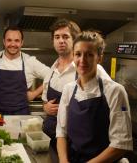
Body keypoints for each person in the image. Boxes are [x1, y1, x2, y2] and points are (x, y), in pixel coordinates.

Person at [56, 31, 133, 163]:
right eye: (78, 54)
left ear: (99, 58)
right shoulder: (69, 90)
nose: (82, 60)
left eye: (89, 55)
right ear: (73, 56)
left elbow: (120, 145)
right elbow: (61, 133)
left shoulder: (115, 91)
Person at [41, 19, 111, 162]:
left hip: (74, 144)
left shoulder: (90, 68)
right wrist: (46, 108)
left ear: (74, 40)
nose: (61, 41)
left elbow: (107, 101)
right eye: (57, 37)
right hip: (49, 139)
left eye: (66, 37)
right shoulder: (51, 70)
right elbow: (44, 101)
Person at [0, 25, 50, 116]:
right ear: (4, 41)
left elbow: (51, 75)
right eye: (9, 40)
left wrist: (34, 94)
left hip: (21, 114)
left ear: (22, 42)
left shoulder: (30, 61)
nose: (13, 44)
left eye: (17, 40)